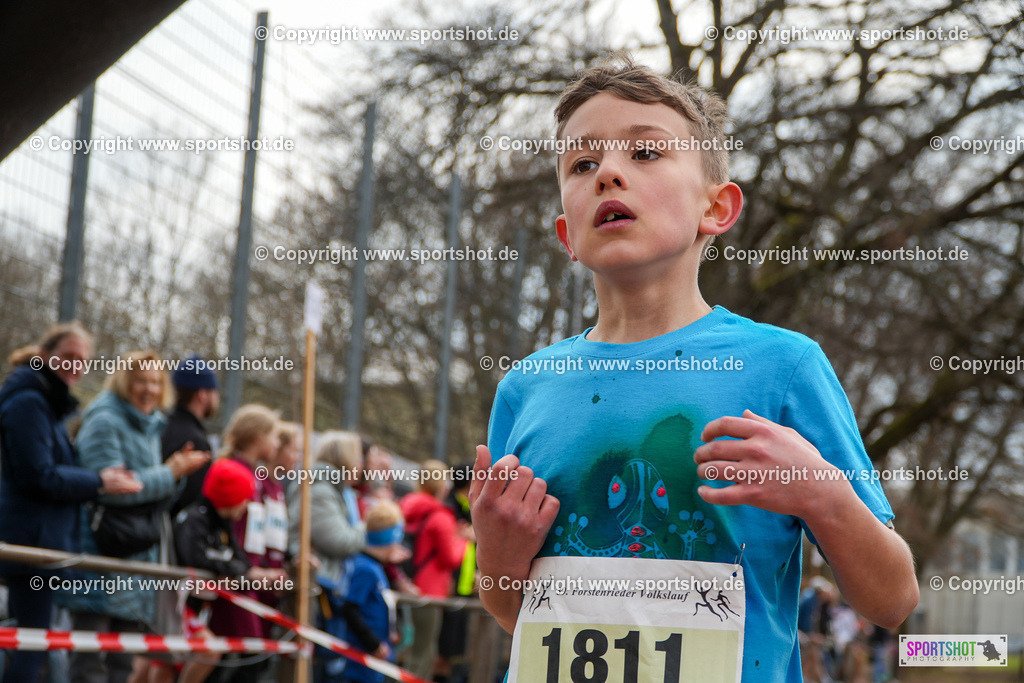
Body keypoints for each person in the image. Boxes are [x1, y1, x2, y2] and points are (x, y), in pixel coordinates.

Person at [468, 58, 918, 682]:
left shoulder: (783, 368)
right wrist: (495, 558)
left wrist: (823, 493)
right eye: (582, 164)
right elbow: (518, 614)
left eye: (647, 151)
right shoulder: (525, 388)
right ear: (566, 235)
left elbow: (893, 601)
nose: (608, 175)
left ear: (718, 208)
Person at [0, 323, 142, 683]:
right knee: (32, 648)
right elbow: (39, 475)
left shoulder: (46, 403)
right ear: (44, 356)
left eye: (83, 360)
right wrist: (99, 481)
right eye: (68, 356)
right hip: (31, 545)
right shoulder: (29, 403)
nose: (76, 365)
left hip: (39, 541)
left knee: (31, 642)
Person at [60, 350, 209, 683]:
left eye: (156, 382)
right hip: (100, 556)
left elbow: (151, 495)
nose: (149, 389)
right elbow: (113, 486)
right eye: (141, 380)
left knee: (122, 665)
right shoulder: (104, 421)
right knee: (90, 663)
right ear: (124, 381)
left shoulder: (151, 426)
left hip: (136, 559)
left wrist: (176, 474)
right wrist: (169, 472)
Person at [172, 458, 278, 683]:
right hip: (179, 606)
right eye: (243, 499)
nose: (246, 505)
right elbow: (197, 558)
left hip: (202, 608)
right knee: (201, 654)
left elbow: (237, 557)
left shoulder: (221, 523)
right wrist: (242, 572)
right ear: (229, 498)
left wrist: (252, 572)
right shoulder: (194, 519)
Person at [208, 404, 288, 682]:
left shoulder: (261, 478)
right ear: (258, 437)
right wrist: (244, 569)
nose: (277, 444)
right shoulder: (231, 471)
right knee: (239, 657)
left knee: (251, 658)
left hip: (251, 580)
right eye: (274, 436)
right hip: (233, 580)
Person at [318, 500, 404, 683]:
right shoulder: (366, 569)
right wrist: (372, 643)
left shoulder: (374, 567)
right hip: (361, 659)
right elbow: (350, 608)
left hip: (372, 658)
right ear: (391, 539)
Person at [399, 460, 467, 681]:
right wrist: (463, 540)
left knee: (415, 647)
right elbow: (451, 559)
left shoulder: (410, 507)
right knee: (424, 651)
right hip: (431, 591)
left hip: (410, 584)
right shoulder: (440, 516)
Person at [162, 354, 220, 515]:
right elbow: (193, 504)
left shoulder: (161, 425)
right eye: (214, 391)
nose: (217, 398)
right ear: (202, 394)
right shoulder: (196, 441)